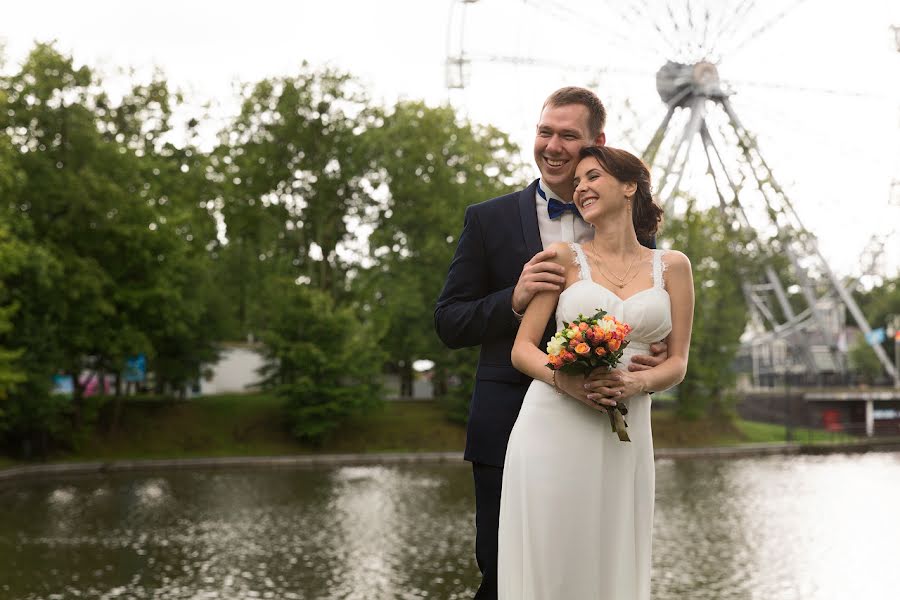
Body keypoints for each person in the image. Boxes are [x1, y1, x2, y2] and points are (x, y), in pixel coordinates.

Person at [433, 87, 666, 599]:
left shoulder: (627, 224)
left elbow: (650, 307)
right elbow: (448, 321)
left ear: (596, 143)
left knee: (590, 570)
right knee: (503, 574)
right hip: (507, 419)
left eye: (568, 135)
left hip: (600, 427)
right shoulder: (487, 218)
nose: (553, 145)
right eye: (545, 131)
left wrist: (657, 352)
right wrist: (513, 299)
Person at [497, 145, 694, 599]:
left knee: (612, 550)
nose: (581, 187)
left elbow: (678, 362)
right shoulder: (562, 257)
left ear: (630, 186)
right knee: (554, 553)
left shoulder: (674, 267)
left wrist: (637, 381)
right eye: (578, 181)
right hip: (553, 421)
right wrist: (566, 381)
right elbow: (523, 349)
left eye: (593, 177)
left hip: (627, 427)